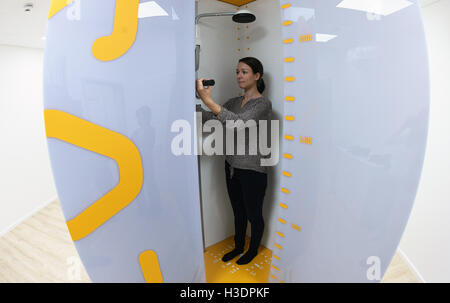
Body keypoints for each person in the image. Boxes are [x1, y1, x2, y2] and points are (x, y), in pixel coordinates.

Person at [196, 57, 272, 265]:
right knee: (237, 211)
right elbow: (211, 119)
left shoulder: (263, 103)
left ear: (257, 76)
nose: (239, 75)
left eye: (245, 71)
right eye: (237, 71)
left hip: (253, 169)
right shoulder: (233, 102)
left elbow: (238, 124)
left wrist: (209, 101)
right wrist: (194, 100)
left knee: (253, 214)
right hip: (231, 166)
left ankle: (252, 249)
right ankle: (239, 246)